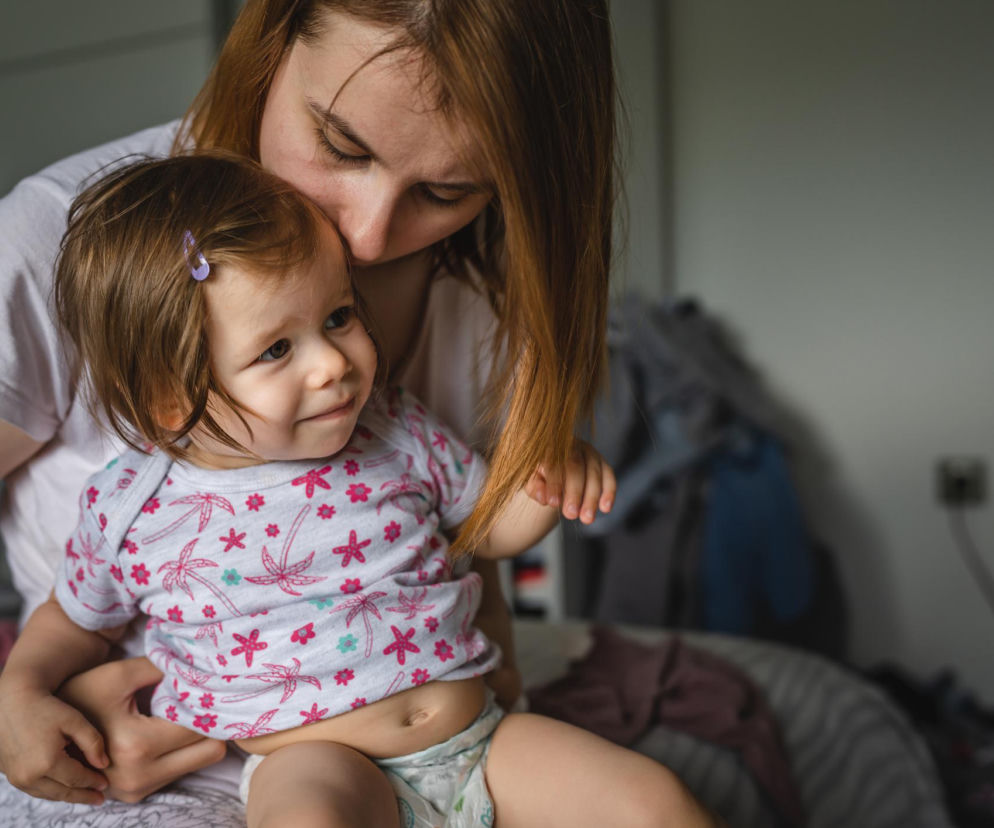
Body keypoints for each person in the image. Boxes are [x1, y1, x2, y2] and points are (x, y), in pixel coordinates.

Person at [0, 1, 719, 824]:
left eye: (448, 189)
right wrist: (18, 704)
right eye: (342, 145)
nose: (371, 239)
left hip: (465, 732)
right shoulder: (54, 256)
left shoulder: (407, 402)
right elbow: (74, 617)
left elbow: (475, 533)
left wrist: (548, 473)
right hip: (254, 767)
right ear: (271, 43)